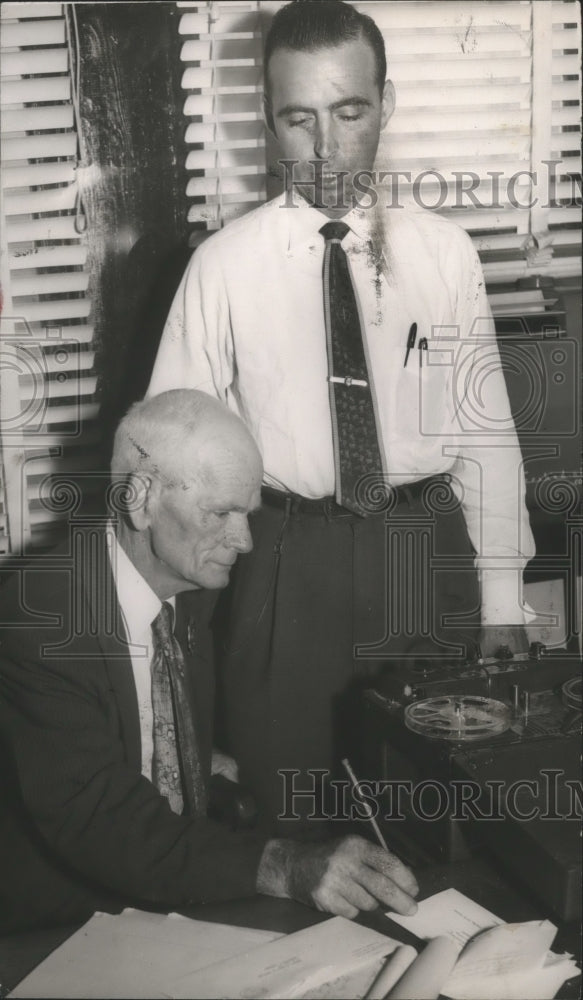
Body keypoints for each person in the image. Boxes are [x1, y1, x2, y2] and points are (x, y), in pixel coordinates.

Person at [147, 2, 535, 831]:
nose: (325, 148)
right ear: (268, 118)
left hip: (420, 556)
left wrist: (501, 593)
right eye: (299, 119)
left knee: (443, 819)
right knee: (292, 819)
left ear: (385, 104)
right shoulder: (221, 269)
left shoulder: (444, 254)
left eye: (349, 112)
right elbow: (170, 462)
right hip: (286, 565)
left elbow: (483, 436)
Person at [0, 389, 419, 933]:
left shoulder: (193, 587)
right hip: (62, 919)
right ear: (139, 498)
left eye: (246, 514)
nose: (244, 540)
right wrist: (281, 863)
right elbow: (99, 818)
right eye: (220, 512)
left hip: (177, 895)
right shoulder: (43, 615)